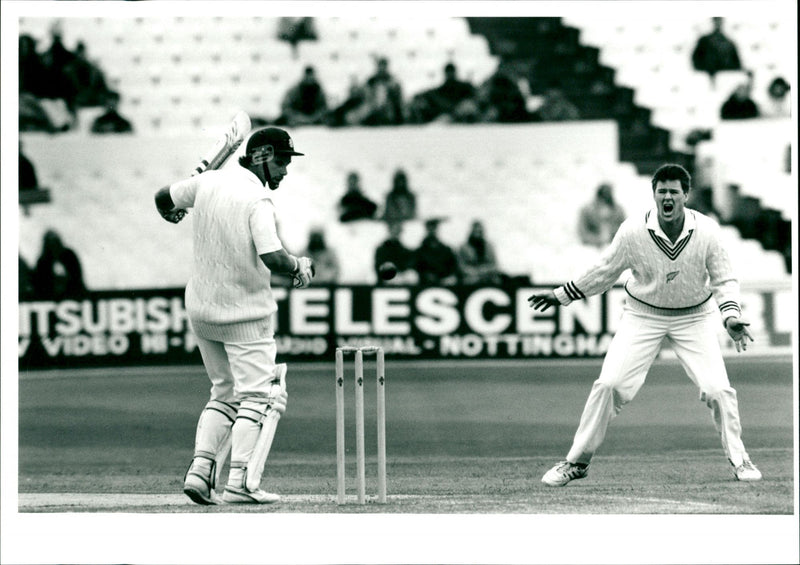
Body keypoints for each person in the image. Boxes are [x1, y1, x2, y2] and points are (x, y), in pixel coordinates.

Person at [529, 164, 762, 487]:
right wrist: (562, 294)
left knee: (718, 390)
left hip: (693, 317)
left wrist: (731, 316)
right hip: (643, 316)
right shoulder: (632, 230)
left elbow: (724, 278)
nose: (667, 197)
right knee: (609, 385)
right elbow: (604, 270)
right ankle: (576, 462)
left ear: (685, 195)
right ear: (654, 194)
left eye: (673, 192)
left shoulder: (707, 230)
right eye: (661, 191)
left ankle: (740, 460)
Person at [153, 126, 314, 505]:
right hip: (244, 312)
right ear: (261, 156)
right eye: (282, 161)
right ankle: (241, 481)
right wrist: (298, 267)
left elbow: (163, 199)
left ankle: (200, 471)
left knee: (224, 393)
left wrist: (175, 211)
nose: (286, 171)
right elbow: (272, 256)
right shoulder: (258, 199)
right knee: (258, 397)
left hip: (203, 309)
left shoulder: (208, 182)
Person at [408, 62, 479, 123]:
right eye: (448, 72)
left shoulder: (464, 86)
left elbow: (475, 96)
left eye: (451, 72)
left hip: (461, 113)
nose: (450, 74)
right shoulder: (443, 89)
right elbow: (430, 93)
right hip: (448, 115)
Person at [350, 57, 405, 126]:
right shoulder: (372, 79)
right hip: (373, 104)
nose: (382, 68)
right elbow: (365, 91)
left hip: (387, 106)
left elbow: (397, 94)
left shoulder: (391, 79)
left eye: (383, 66)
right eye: (380, 66)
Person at [34, 229, 86, 300]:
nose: (52, 246)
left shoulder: (69, 256)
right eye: (50, 243)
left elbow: (77, 276)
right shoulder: (43, 262)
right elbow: (41, 283)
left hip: (72, 295)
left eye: (54, 242)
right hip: (50, 298)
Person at [691, 17, 742, 82]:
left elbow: (736, 63)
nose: (718, 23)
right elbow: (696, 58)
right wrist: (705, 71)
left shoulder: (729, 43)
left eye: (719, 21)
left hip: (725, 78)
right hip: (707, 77)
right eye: (716, 21)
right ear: (713, 22)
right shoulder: (704, 40)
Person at [577, 183, 627, 248]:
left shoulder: (618, 211)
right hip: (590, 249)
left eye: (606, 201)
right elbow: (583, 233)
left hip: (614, 246)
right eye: (601, 201)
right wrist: (597, 240)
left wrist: (611, 234)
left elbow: (624, 231)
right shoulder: (586, 211)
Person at [414, 218, 460, 286]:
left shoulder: (446, 249)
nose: (432, 230)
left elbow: (453, 266)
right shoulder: (420, 251)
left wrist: (446, 276)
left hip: (444, 279)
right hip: (426, 282)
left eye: (434, 228)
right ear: (427, 230)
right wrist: (426, 275)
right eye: (430, 228)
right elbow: (417, 267)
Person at [457, 220, 502, 286]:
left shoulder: (489, 247)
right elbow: (461, 266)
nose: (478, 234)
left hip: (488, 276)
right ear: (471, 232)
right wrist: (474, 272)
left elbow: (495, 265)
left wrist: (485, 270)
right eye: (476, 231)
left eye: (480, 232)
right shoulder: (464, 248)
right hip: (471, 277)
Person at [374, 221, 417, 285]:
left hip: (400, 276)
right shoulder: (382, 248)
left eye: (398, 231)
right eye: (394, 230)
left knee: (411, 276)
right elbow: (380, 266)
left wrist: (402, 271)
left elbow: (408, 263)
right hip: (388, 277)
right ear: (389, 231)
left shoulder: (403, 248)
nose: (396, 233)